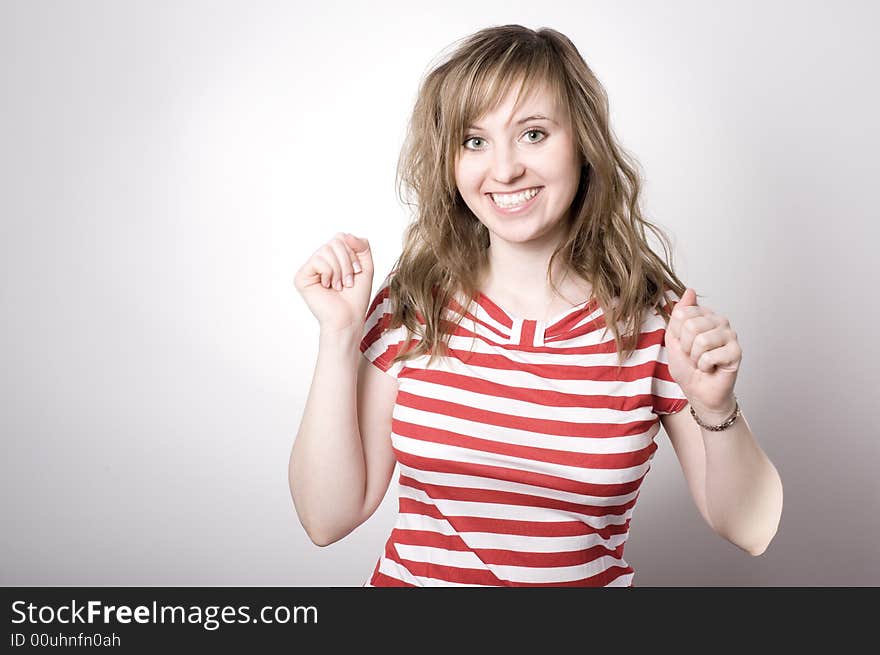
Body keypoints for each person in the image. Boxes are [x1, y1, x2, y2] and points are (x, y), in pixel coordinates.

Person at [289, 25, 783, 587]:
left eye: (533, 134)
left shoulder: (654, 324)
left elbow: (752, 528)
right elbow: (326, 519)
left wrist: (716, 407)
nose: (504, 171)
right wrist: (339, 335)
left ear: (583, 142)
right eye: (474, 141)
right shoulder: (411, 307)